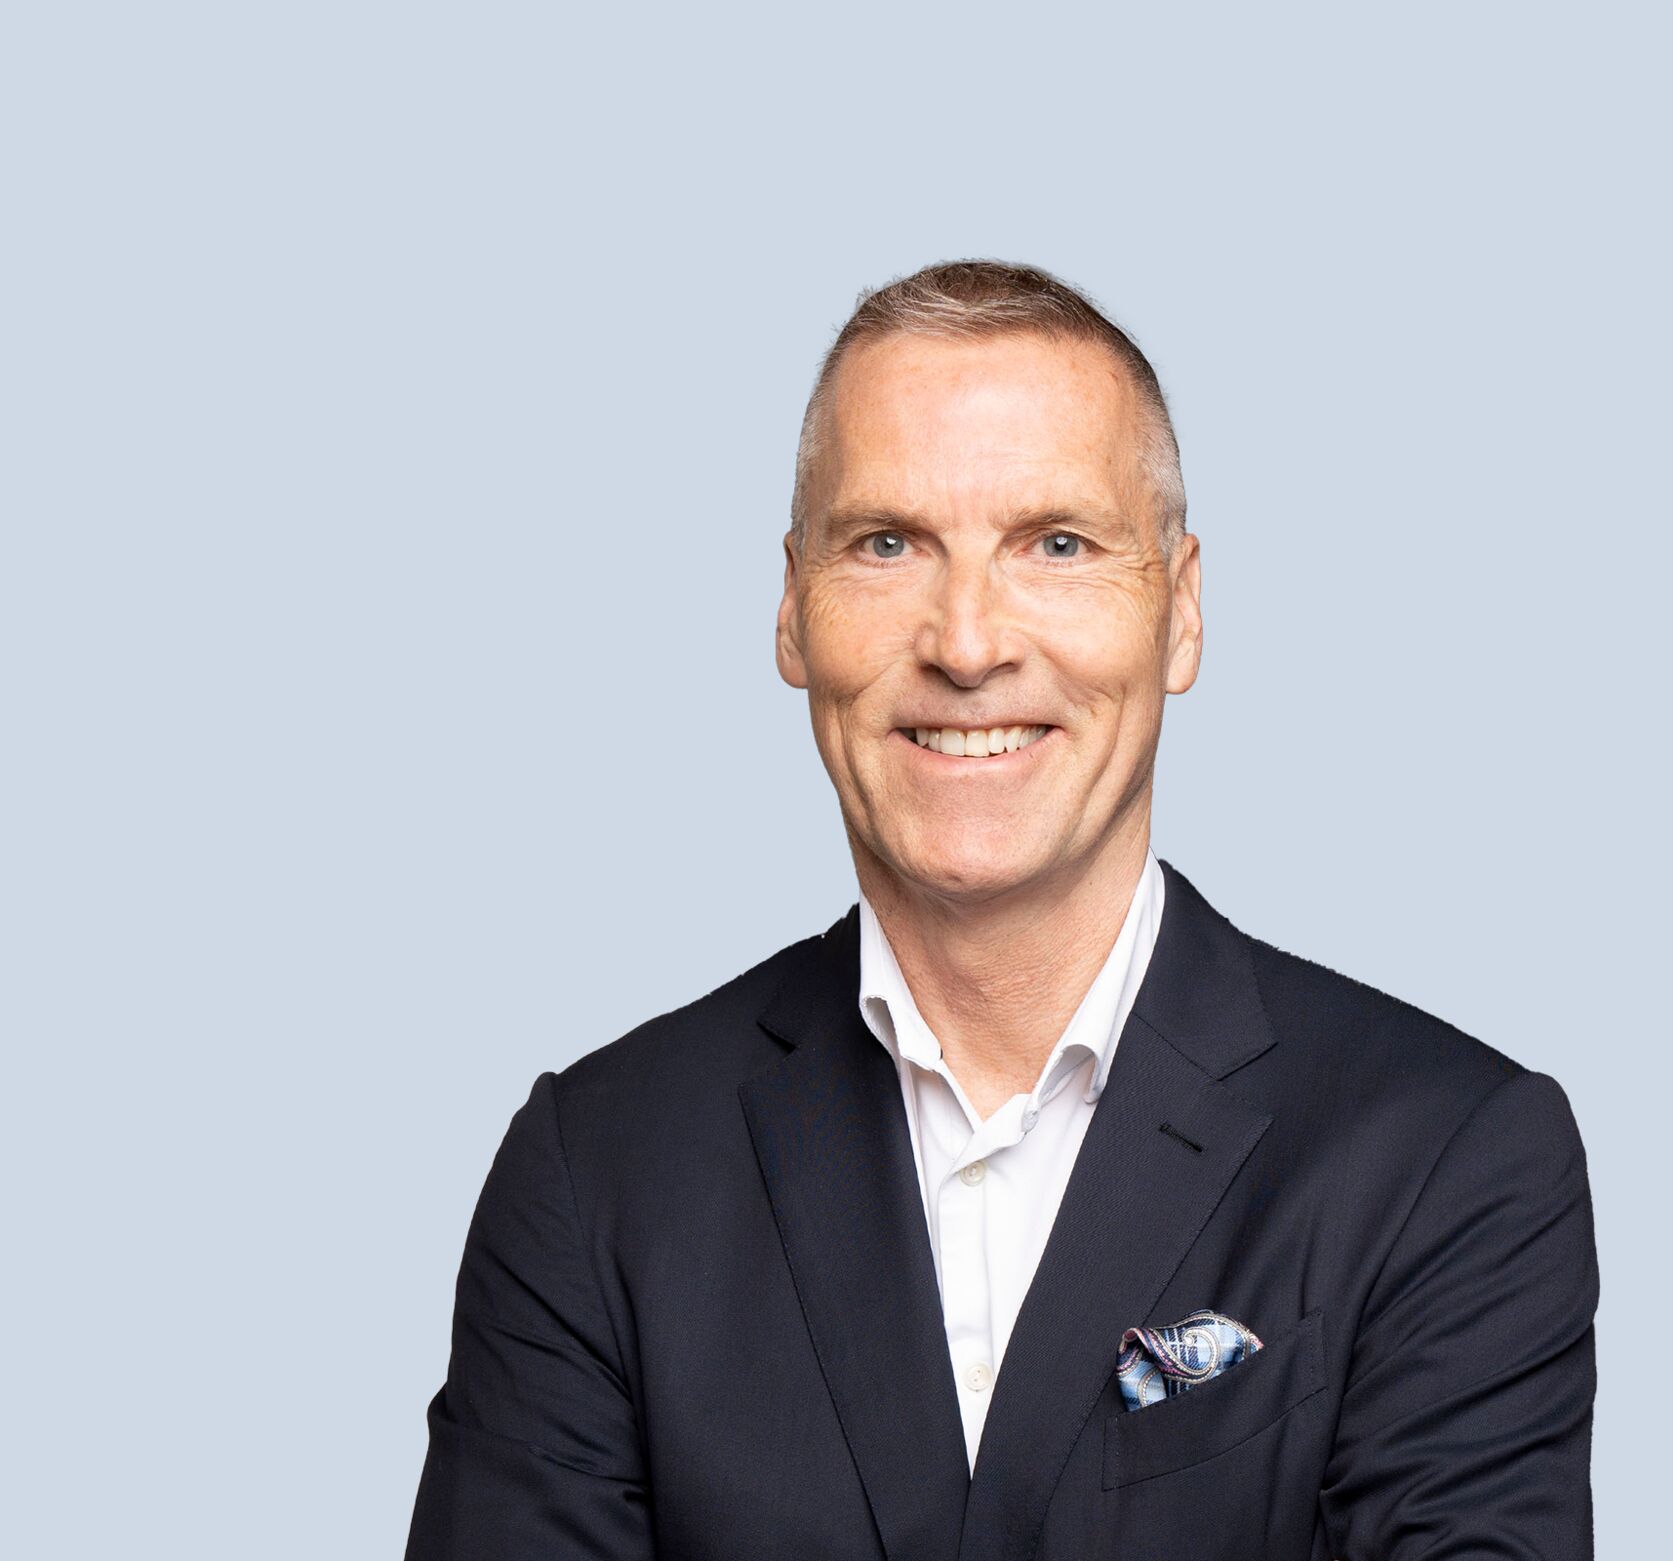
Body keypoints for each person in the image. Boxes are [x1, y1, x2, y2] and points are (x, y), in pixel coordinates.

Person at [403, 260, 1599, 1560]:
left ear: (1181, 610)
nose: (967, 642)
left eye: (1057, 545)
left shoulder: (1444, 1158)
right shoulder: (599, 1173)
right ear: (794, 608)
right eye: (887, 543)